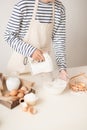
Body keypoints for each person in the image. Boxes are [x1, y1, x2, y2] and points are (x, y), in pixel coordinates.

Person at [4, 0, 68, 81]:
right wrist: (31, 51)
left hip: (42, 67)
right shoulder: (23, 5)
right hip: (20, 69)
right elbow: (9, 36)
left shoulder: (59, 8)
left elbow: (59, 41)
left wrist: (62, 68)